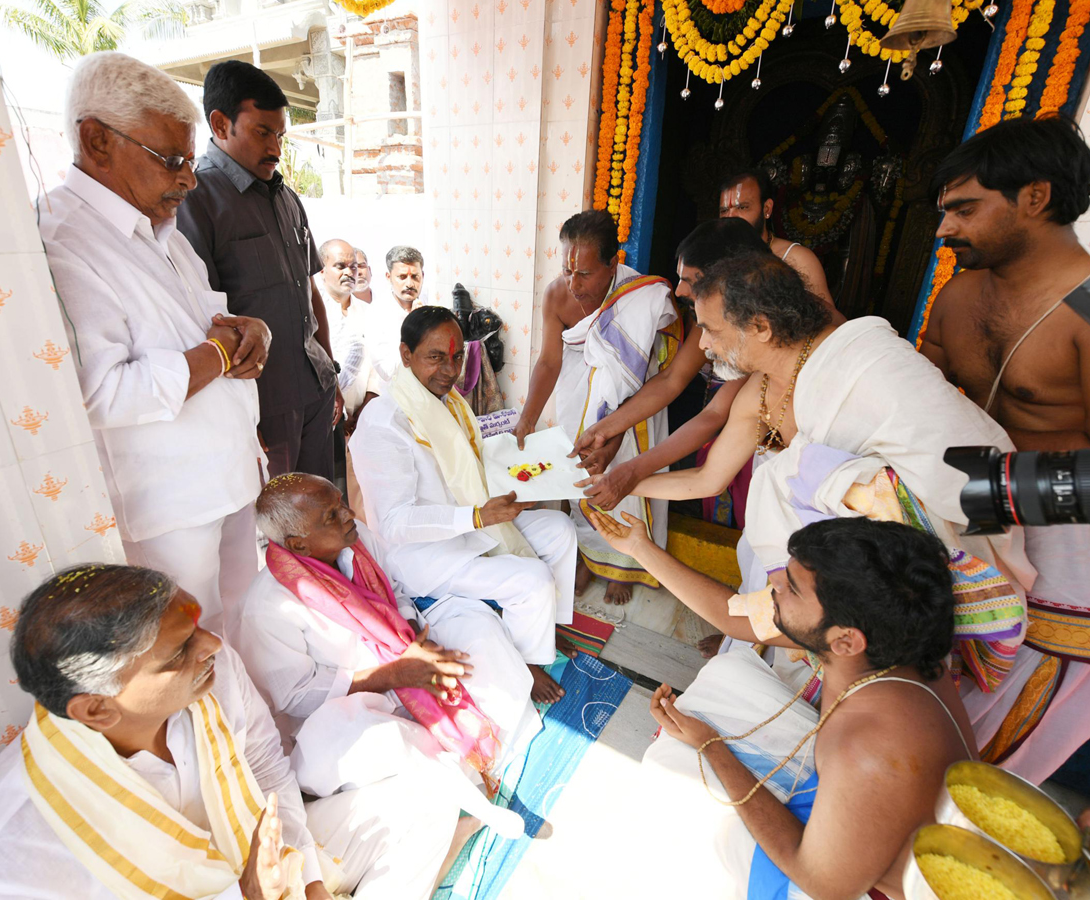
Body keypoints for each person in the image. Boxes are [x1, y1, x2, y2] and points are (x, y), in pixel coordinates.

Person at [589, 249, 1033, 696]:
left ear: (760, 327)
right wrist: (624, 481)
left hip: (881, 577)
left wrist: (824, 482)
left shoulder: (862, 365)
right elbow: (708, 479)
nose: (702, 345)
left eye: (711, 329)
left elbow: (972, 473)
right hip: (808, 580)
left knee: (788, 475)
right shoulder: (760, 388)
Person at [0, 564, 460, 899]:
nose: (210, 646)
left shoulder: (213, 669)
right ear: (96, 710)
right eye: (178, 652)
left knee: (432, 795)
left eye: (196, 625)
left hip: (272, 869)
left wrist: (312, 884)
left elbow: (266, 766)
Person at [607, 517, 974, 898]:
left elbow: (818, 882)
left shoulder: (866, 750)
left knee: (669, 776)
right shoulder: (890, 643)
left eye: (791, 588)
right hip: (857, 814)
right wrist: (639, 547)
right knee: (727, 671)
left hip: (848, 884)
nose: (774, 585)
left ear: (846, 641)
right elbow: (732, 616)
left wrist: (710, 745)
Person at [920, 114, 1090, 783]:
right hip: (969, 533)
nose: (944, 228)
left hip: (1073, 564)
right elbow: (919, 397)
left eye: (964, 209)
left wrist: (978, 464)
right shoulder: (955, 298)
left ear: (1034, 197)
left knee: (1031, 733)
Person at [38, 52, 268, 631]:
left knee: (246, 623)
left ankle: (252, 724)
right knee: (189, 645)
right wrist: (217, 356)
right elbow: (98, 392)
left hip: (231, 476)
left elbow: (211, 324)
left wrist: (251, 331)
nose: (189, 178)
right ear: (96, 141)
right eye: (172, 160)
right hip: (171, 509)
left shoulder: (164, 231)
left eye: (190, 160)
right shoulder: (63, 242)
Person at [236, 472, 541, 788]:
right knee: (386, 748)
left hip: (405, 655)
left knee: (480, 628)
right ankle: (461, 766)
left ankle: (496, 751)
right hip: (350, 703)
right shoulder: (267, 608)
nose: (349, 515)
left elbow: (394, 588)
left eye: (341, 502)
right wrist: (396, 674)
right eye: (332, 515)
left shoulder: (354, 538)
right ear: (298, 545)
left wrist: (414, 637)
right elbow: (295, 696)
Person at [350, 307, 578, 703]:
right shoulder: (384, 422)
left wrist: (522, 475)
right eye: (435, 357)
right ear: (406, 355)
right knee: (533, 580)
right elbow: (392, 522)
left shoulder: (447, 401)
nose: (449, 370)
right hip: (428, 557)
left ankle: (544, 631)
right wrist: (475, 516)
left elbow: (468, 464)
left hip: (473, 525)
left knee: (560, 530)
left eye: (457, 357)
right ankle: (527, 664)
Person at [572, 220, 844, 521]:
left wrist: (629, 473)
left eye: (692, 279)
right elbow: (707, 473)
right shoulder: (757, 386)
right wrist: (610, 441)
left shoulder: (835, 353)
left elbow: (713, 419)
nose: (679, 290)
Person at [177, 60, 342, 480]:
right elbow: (199, 319)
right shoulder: (195, 202)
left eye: (280, 135)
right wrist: (241, 412)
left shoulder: (287, 198)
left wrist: (330, 371)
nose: (275, 148)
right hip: (262, 408)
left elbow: (309, 292)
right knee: (275, 528)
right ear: (220, 124)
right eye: (262, 132)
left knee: (322, 514)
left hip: (315, 390)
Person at [514, 210, 680, 606]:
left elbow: (661, 368)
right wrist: (526, 420)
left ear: (613, 262)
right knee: (580, 474)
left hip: (634, 404)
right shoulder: (557, 295)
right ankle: (590, 557)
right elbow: (550, 362)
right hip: (579, 401)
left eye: (584, 274)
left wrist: (617, 425)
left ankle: (624, 564)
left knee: (626, 480)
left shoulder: (641, 296)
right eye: (567, 271)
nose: (573, 285)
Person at [719, 167, 834, 305]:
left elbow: (830, 322)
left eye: (742, 207)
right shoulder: (714, 260)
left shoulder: (797, 259)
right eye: (724, 210)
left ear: (767, 209)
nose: (731, 217)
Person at [318, 238, 375, 421]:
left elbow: (376, 366)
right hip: (323, 414)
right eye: (340, 266)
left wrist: (365, 409)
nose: (349, 272)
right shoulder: (310, 313)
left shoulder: (368, 313)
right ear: (322, 270)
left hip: (362, 417)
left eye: (354, 267)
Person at [366, 245, 426, 397]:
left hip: (427, 396)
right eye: (402, 277)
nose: (409, 284)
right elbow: (387, 372)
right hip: (394, 401)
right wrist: (413, 328)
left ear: (422, 276)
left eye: (415, 276)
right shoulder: (377, 314)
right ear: (389, 277)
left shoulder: (426, 306)